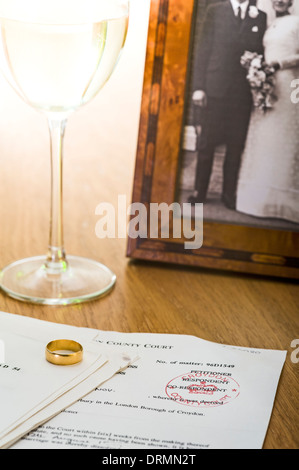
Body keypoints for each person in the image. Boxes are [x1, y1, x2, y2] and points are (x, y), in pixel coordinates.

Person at [188, 0, 267, 209]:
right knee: (207, 142)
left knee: (235, 144)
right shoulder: (215, 11)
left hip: (241, 92)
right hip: (214, 88)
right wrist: (199, 87)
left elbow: (260, 52)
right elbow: (203, 49)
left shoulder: (259, 16)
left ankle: (229, 194)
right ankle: (200, 191)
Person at [236, 0, 299, 224]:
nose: (280, 1)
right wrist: (255, 64)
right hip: (267, 85)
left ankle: (286, 203)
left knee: (285, 138)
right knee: (265, 137)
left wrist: (278, 64)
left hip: (290, 85)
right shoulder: (270, 24)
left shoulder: (297, 22)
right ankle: (257, 199)